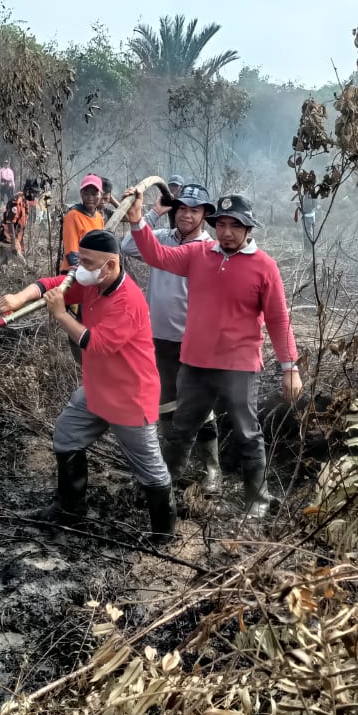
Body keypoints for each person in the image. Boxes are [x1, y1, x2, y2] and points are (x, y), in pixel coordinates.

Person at [123, 190, 303, 517]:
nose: (227, 232)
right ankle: (162, 488)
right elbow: (157, 256)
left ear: (249, 229)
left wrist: (290, 366)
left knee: (247, 433)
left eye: (236, 225)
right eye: (221, 224)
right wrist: (137, 221)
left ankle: (257, 502)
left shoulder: (265, 267)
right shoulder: (198, 254)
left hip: (239, 366)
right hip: (195, 363)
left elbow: (278, 318)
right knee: (180, 429)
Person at [0, 230, 174, 538]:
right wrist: (18, 298)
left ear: (111, 265)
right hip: (97, 389)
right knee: (66, 435)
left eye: (88, 262)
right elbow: (52, 284)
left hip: (130, 399)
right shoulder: (92, 282)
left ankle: (164, 532)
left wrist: (62, 315)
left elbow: (98, 344)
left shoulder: (128, 300)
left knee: (151, 471)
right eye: (81, 260)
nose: (80, 269)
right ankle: (70, 508)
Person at [120, 181, 222, 492]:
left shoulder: (208, 249)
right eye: (181, 209)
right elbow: (127, 246)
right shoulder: (162, 238)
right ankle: (170, 466)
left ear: (205, 214)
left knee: (197, 407)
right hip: (158, 337)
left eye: (194, 210)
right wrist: (151, 212)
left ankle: (210, 470)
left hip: (192, 341)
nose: (186, 215)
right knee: (166, 403)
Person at [0, 178, 37, 294]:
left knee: (1, 262)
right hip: (7, 237)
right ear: (27, 190)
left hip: (10, 238)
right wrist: (13, 243)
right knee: (23, 263)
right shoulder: (16, 201)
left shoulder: (25, 200)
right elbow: (10, 222)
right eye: (33, 192)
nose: (34, 195)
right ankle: (25, 288)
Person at [60, 174, 106, 271]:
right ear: (81, 194)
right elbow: (72, 254)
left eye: (94, 194)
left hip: (93, 272)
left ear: (101, 195)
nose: (90, 198)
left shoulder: (99, 218)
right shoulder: (73, 216)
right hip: (74, 273)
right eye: (86, 194)